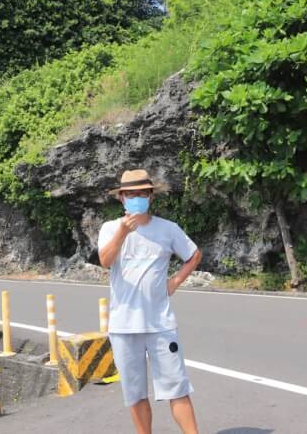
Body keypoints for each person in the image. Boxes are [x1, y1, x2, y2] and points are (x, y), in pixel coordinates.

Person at [98, 169, 202, 434]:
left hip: (160, 324)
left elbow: (193, 254)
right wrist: (122, 233)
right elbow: (105, 261)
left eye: (142, 193)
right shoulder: (109, 228)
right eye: (130, 194)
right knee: (135, 394)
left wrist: (176, 281)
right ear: (121, 198)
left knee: (177, 388)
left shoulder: (168, 229)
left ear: (151, 196)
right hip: (123, 326)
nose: (136, 198)